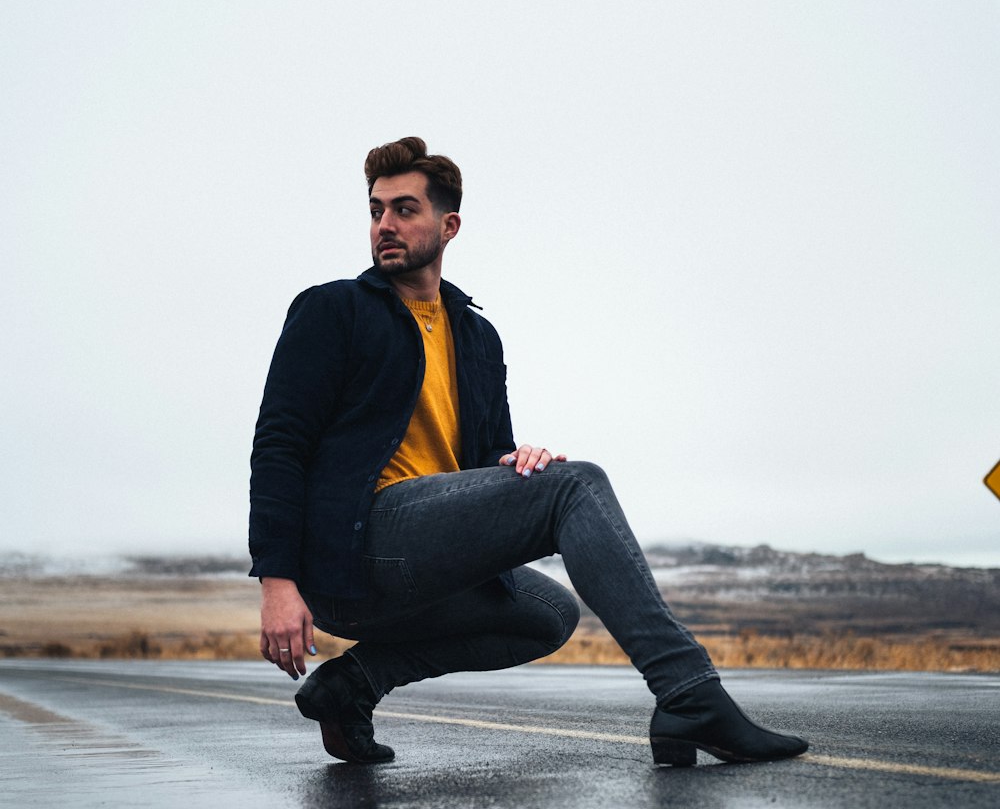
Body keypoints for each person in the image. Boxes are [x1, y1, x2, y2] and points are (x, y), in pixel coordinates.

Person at [249, 136, 808, 768]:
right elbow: (279, 445)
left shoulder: (477, 336)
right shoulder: (333, 311)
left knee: (549, 612)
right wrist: (277, 582)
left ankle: (355, 684)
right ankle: (689, 694)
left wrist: (519, 465)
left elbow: (487, 455)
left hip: (425, 557)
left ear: (448, 224)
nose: (385, 225)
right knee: (579, 484)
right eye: (376, 210)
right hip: (358, 547)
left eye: (405, 209)